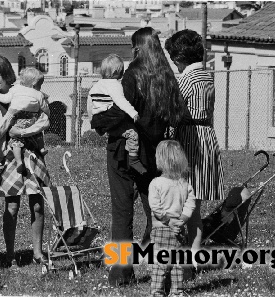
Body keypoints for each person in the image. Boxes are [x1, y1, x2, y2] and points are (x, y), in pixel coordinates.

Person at [91, 27, 185, 286]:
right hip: (154, 152)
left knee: (122, 211)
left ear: (136, 48)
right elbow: (177, 115)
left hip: (124, 149)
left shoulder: (132, 75)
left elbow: (122, 112)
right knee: (157, 211)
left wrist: (98, 121)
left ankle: (122, 273)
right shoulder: (167, 77)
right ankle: (166, 271)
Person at [0, 56, 51, 268]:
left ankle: (37, 253)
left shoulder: (24, 91)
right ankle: (10, 254)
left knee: (38, 205)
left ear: (8, 76)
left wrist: (26, 130)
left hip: (33, 154)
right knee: (11, 207)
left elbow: (44, 117)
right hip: (9, 157)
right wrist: (12, 125)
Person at [165, 29, 225, 259]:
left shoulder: (186, 80)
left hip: (190, 138)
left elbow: (174, 111)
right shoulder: (207, 77)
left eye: (174, 60)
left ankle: (178, 249)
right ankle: (195, 253)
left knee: (183, 200)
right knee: (196, 205)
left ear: (180, 58)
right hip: (207, 135)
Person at [149, 140, 196, 297]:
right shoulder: (185, 185)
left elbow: (156, 208)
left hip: (161, 230)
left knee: (160, 263)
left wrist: (169, 222)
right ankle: (177, 292)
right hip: (180, 230)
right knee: (177, 264)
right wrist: (181, 220)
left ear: (160, 160)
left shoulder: (156, 183)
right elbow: (190, 206)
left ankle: (157, 291)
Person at [87, 54, 146, 175]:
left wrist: (92, 121)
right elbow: (120, 101)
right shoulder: (115, 85)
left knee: (121, 134)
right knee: (132, 134)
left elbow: (90, 105)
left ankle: (126, 152)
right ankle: (134, 159)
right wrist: (133, 112)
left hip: (101, 120)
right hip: (112, 119)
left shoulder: (96, 86)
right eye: (122, 70)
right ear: (116, 72)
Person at [0, 67, 50, 174]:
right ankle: (42, 148)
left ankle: (19, 162)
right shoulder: (38, 94)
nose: (40, 87)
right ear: (34, 84)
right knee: (38, 134)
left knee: (16, 141)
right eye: (40, 85)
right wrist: (47, 113)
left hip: (19, 120)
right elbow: (44, 107)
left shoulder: (15, 89)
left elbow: (6, 98)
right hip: (33, 119)